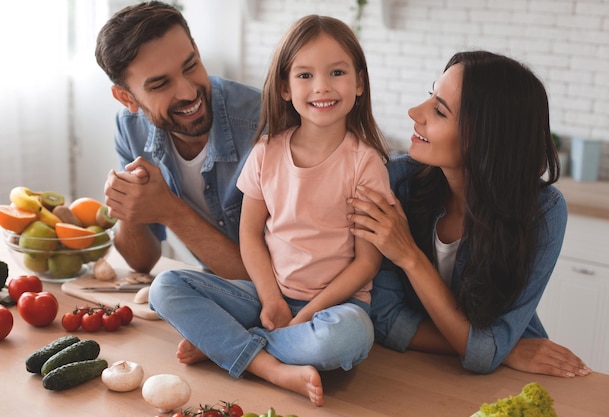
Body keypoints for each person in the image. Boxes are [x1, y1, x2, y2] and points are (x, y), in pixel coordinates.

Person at [149, 15, 394, 406]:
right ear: (284, 87)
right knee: (165, 287)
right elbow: (250, 234)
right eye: (305, 76)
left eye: (337, 72)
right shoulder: (266, 152)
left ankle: (229, 344)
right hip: (265, 298)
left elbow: (367, 263)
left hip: (332, 310)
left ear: (359, 82)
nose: (322, 87)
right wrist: (272, 300)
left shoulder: (366, 165)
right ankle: (270, 366)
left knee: (351, 339)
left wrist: (307, 313)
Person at [348, 51, 592, 378]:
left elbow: (485, 352)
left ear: (485, 139)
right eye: (431, 95)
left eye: (439, 111)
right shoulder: (396, 183)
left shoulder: (543, 212)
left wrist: (409, 256)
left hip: (511, 379)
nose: (414, 112)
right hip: (418, 371)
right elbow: (387, 320)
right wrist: (501, 349)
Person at [95, 1, 261, 277]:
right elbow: (142, 262)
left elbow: (278, 280)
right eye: (160, 84)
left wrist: (170, 210)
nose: (187, 92)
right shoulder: (131, 128)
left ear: (196, 49)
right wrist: (128, 208)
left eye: (191, 65)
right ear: (127, 98)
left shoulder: (264, 126)